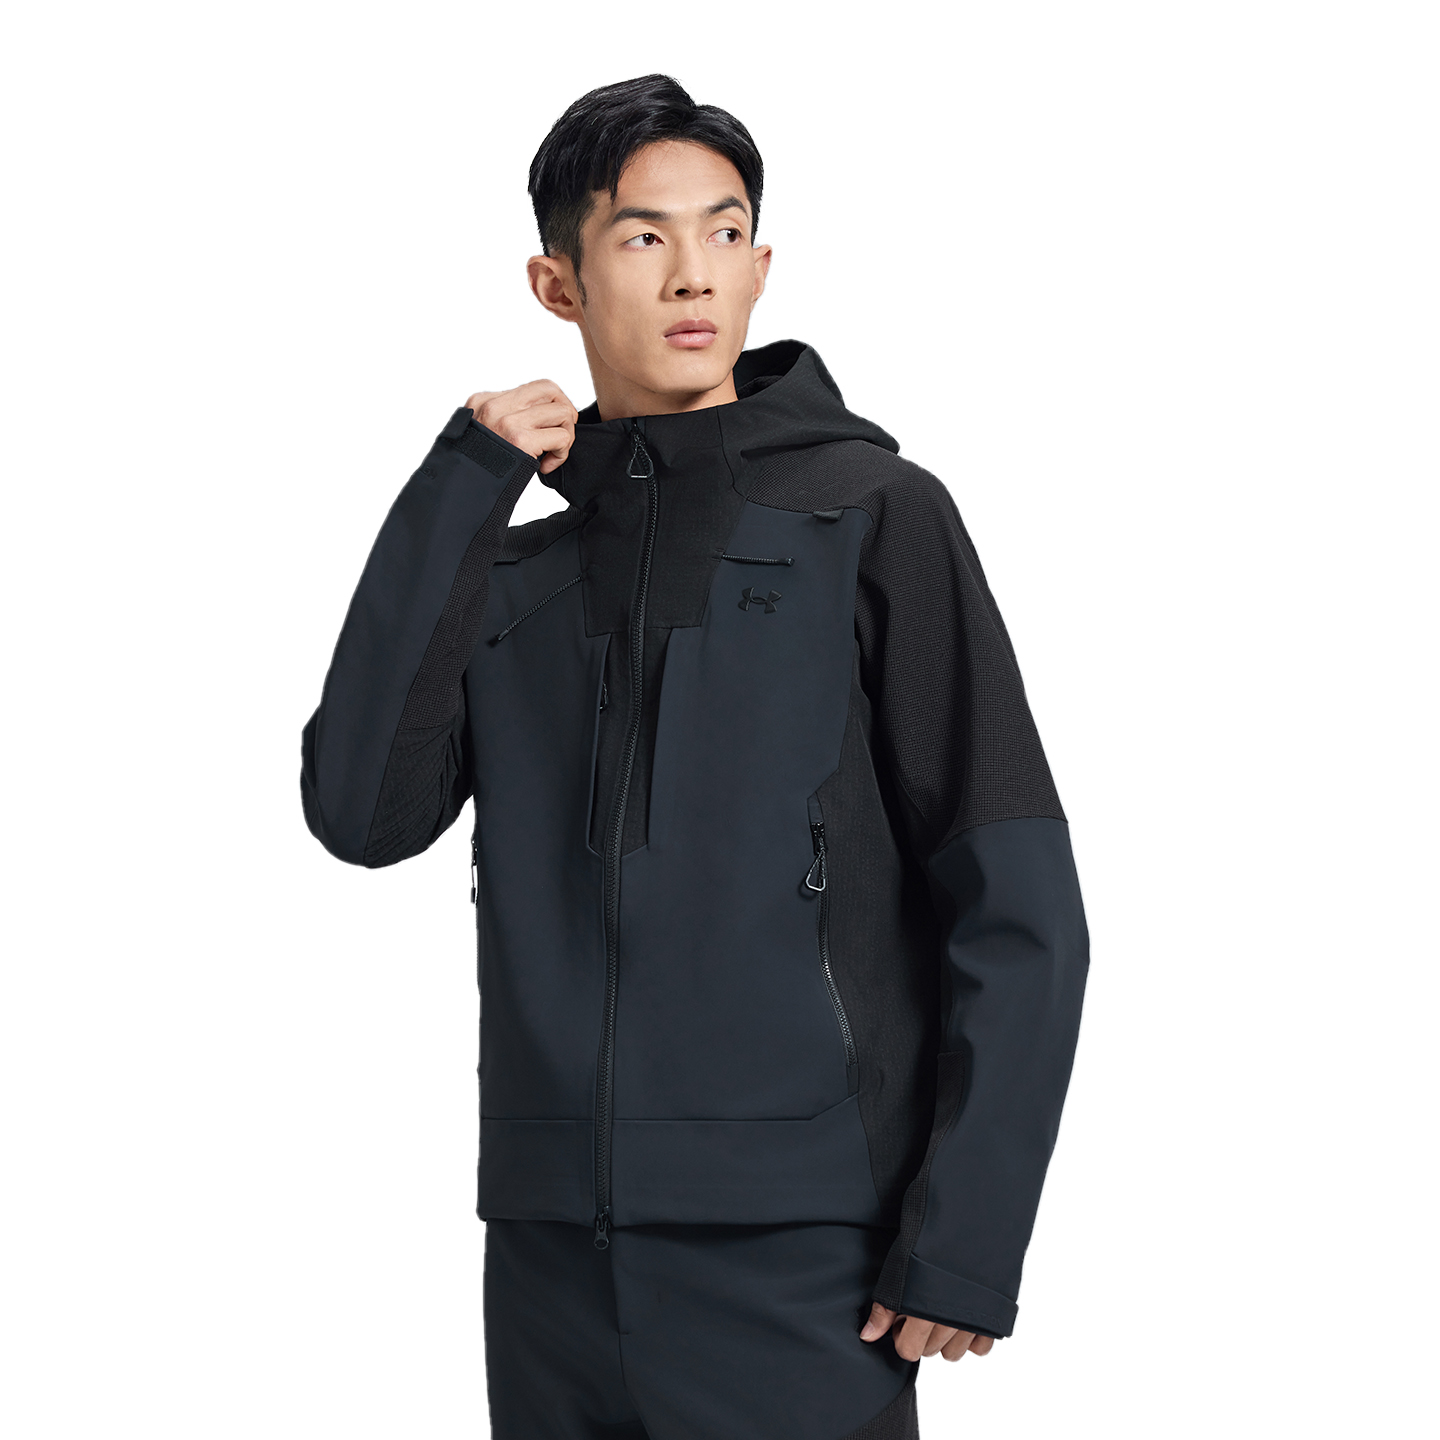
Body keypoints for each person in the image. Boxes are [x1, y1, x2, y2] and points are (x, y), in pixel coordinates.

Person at [300, 73, 1089, 1440]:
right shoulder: (514, 575)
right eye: (643, 236)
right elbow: (360, 813)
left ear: (763, 266)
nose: (693, 274)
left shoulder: (873, 518)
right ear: (558, 284)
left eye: (725, 233)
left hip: (805, 1262)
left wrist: (967, 1238)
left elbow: (1020, 904)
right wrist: (456, 492)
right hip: (550, 1264)